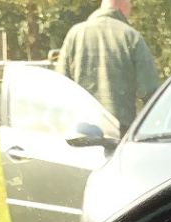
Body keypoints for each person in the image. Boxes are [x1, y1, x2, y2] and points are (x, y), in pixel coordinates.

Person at [56, 0, 159, 131]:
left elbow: (61, 86)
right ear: (124, 5)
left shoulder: (74, 35)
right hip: (120, 131)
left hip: (81, 131)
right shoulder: (131, 36)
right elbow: (150, 91)